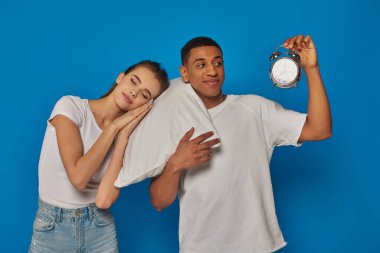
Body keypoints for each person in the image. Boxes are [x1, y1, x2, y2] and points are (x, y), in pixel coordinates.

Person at [149, 35, 332, 253]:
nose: (212, 71)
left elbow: (320, 129)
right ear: (184, 73)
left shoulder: (254, 109)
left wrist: (311, 68)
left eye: (218, 62)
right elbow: (159, 202)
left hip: (256, 246)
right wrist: (175, 164)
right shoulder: (170, 124)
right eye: (201, 65)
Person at [29, 60, 170, 253]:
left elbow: (104, 201)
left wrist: (122, 138)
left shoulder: (129, 138)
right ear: (120, 77)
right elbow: (79, 177)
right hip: (52, 227)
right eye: (133, 81)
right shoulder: (71, 107)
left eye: (144, 95)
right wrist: (112, 128)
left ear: (147, 105)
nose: (134, 93)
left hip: (99, 228)